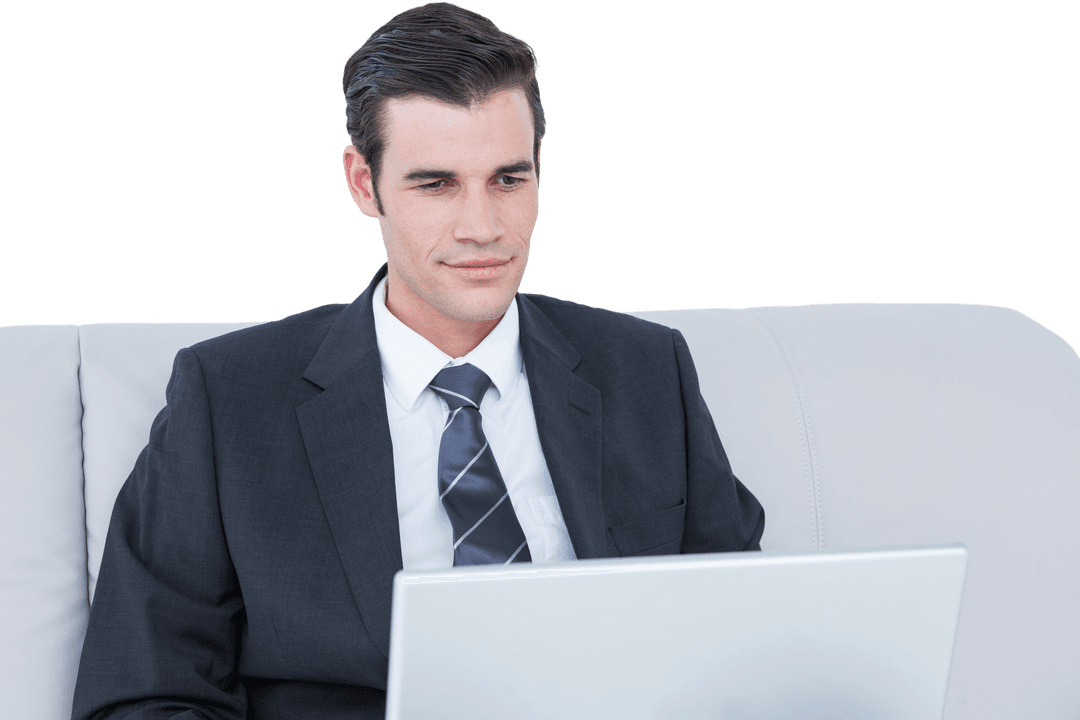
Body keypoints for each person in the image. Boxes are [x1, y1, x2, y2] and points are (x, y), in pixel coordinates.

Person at [70, 3, 764, 718]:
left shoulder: (647, 370)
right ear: (364, 184)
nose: (482, 228)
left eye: (508, 179)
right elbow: (142, 692)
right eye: (435, 184)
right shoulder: (228, 400)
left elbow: (750, 634)